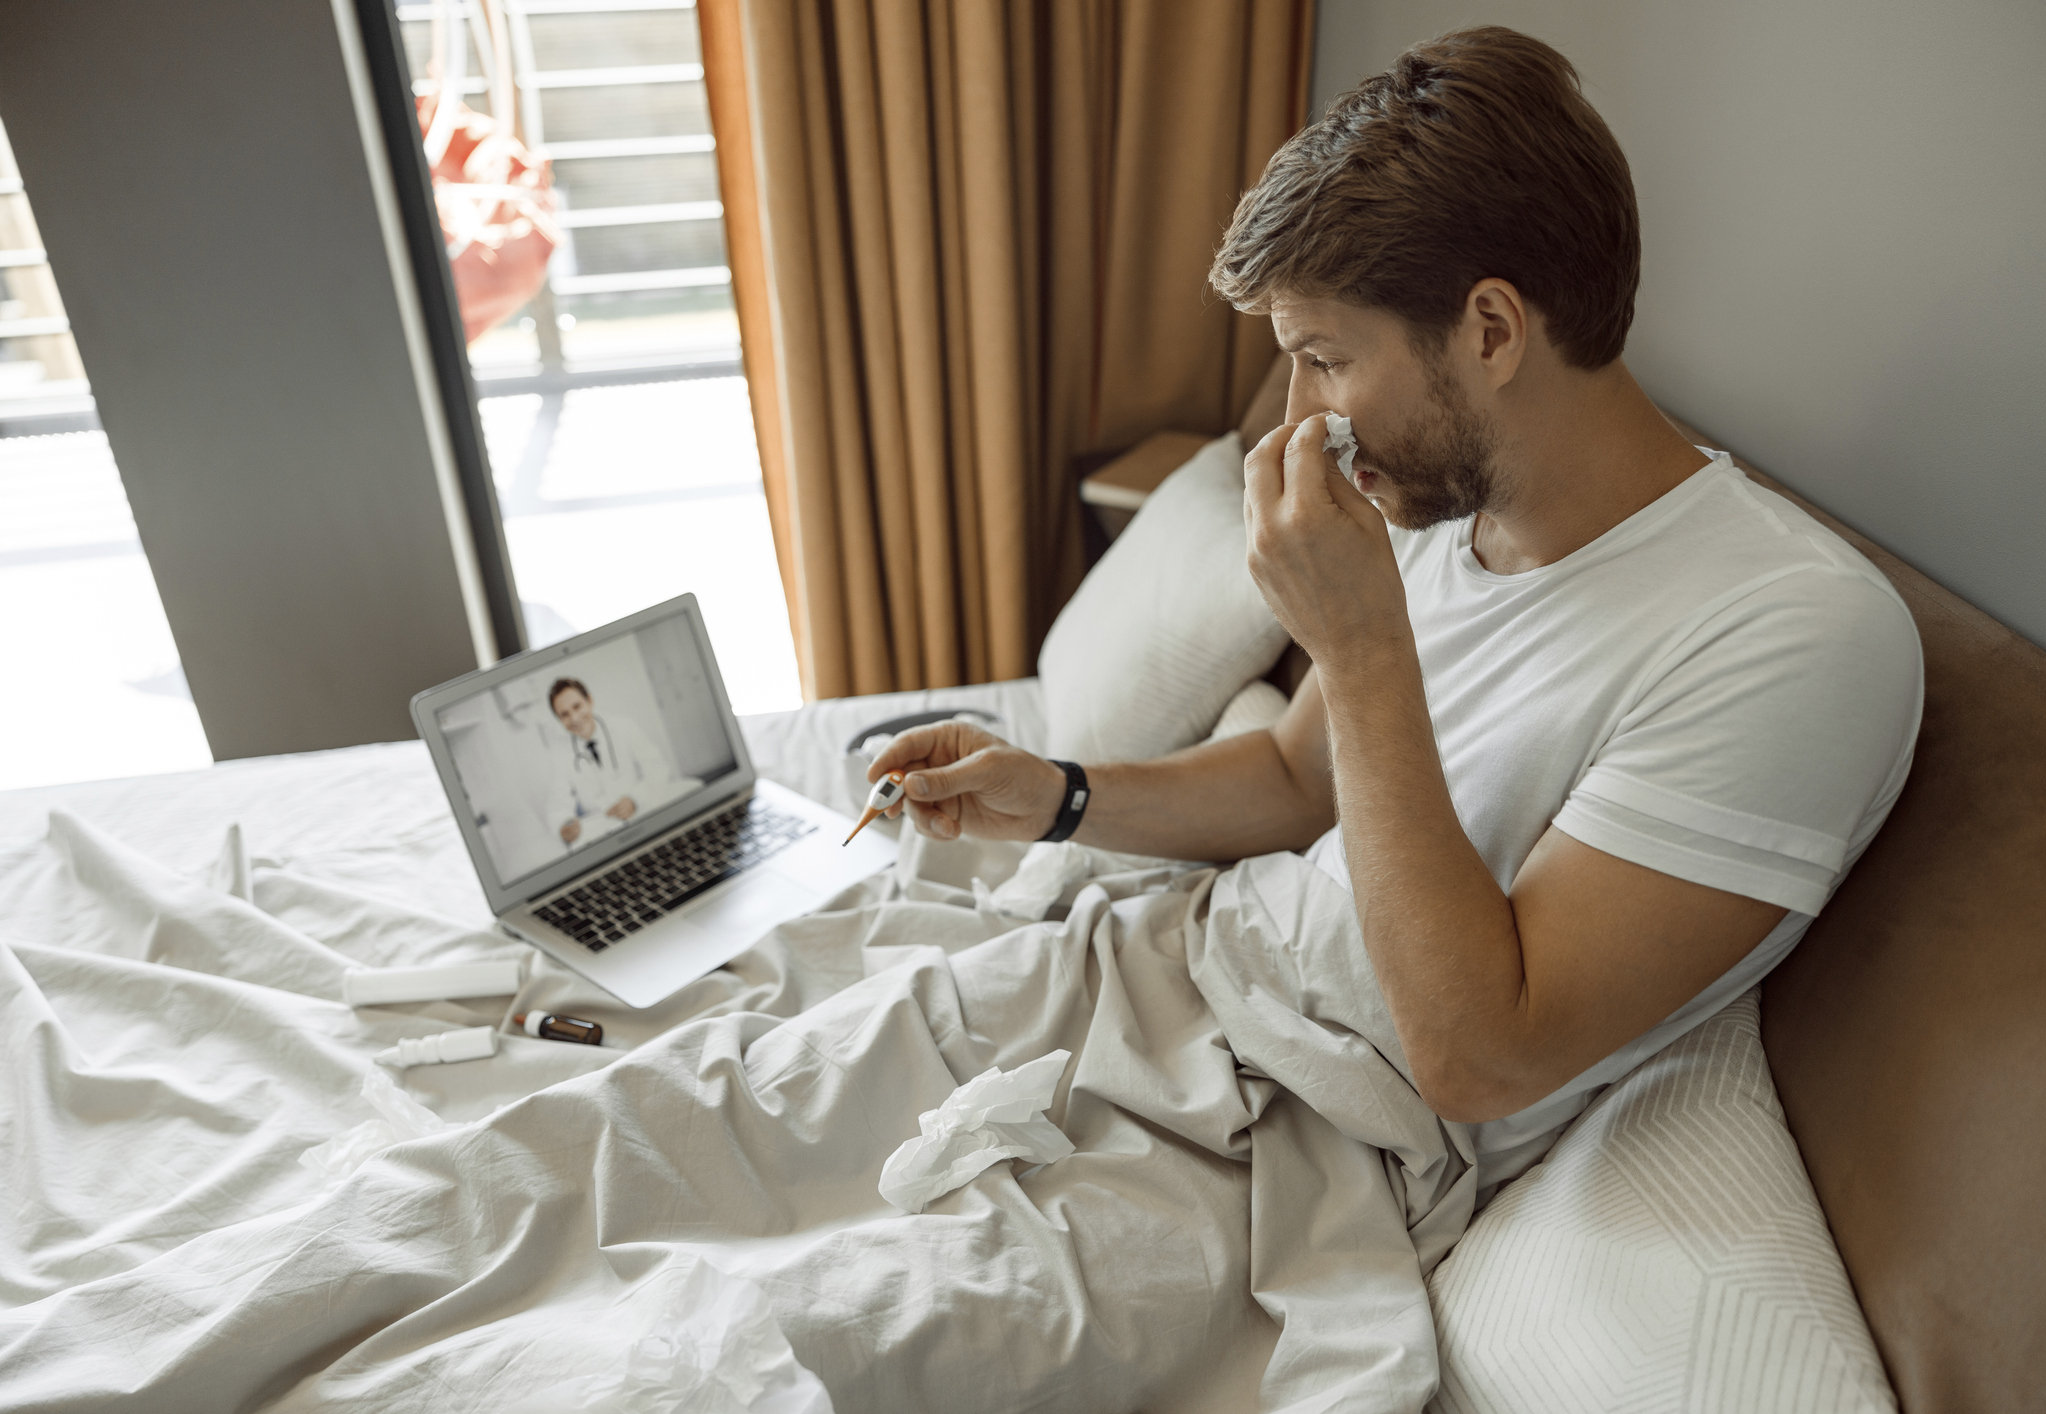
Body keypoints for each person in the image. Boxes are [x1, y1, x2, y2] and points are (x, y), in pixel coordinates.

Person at [873, 26, 1923, 1186]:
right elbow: (1292, 777)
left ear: (1489, 331)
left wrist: (1364, 645)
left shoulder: (1795, 630)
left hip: (1291, 1133)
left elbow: (1484, 1057)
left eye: (1323, 358)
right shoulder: (1448, 509)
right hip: (1178, 973)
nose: (1294, 421)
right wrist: (1059, 796)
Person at [546, 676, 693, 848]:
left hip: (643, 808)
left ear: (589, 701)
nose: (575, 718)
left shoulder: (624, 726)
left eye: (577, 706)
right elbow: (557, 802)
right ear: (559, 719)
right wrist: (563, 824)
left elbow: (657, 767)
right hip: (604, 826)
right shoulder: (560, 755)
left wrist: (635, 799)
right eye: (564, 715)